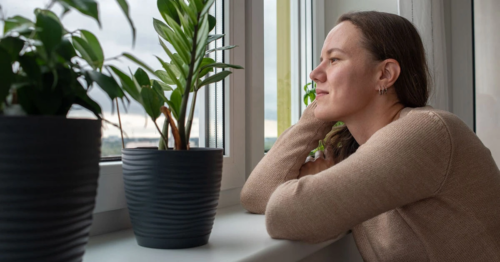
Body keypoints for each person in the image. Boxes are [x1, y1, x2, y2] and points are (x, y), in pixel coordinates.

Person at [240, 11, 500, 261]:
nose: (315, 74)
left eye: (334, 60)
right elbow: (257, 195)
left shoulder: (428, 132)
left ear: (384, 74)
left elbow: (283, 214)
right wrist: (314, 118)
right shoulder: (357, 153)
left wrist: (317, 182)